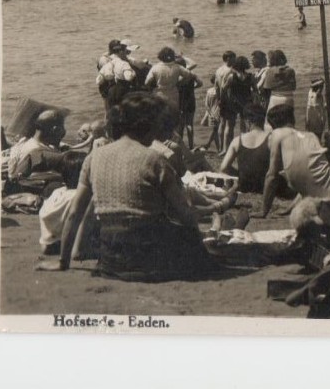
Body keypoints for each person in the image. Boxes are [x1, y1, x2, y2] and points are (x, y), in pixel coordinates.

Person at [37, 94, 217, 281]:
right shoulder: (154, 159)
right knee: (186, 232)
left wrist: (63, 262)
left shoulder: (93, 157)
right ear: (147, 125)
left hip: (110, 258)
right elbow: (185, 214)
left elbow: (75, 213)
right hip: (149, 256)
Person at [218, 103, 271, 193]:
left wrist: (239, 174)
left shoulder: (237, 140)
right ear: (263, 119)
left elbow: (223, 168)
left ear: (247, 121)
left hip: (245, 185)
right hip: (265, 185)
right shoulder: (271, 138)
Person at [96, 41, 137, 109]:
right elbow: (128, 77)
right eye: (125, 51)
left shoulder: (107, 63)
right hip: (121, 89)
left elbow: (98, 81)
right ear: (121, 52)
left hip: (110, 90)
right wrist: (133, 72)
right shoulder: (123, 63)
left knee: (110, 110)